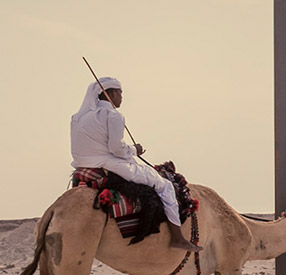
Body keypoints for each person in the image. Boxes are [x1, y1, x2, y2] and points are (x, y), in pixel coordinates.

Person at [69, 77, 197, 252]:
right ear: (110, 93)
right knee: (166, 186)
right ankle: (177, 238)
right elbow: (116, 149)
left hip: (82, 166)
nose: (122, 97)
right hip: (110, 164)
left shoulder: (77, 118)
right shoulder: (113, 116)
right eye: (120, 93)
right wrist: (134, 150)